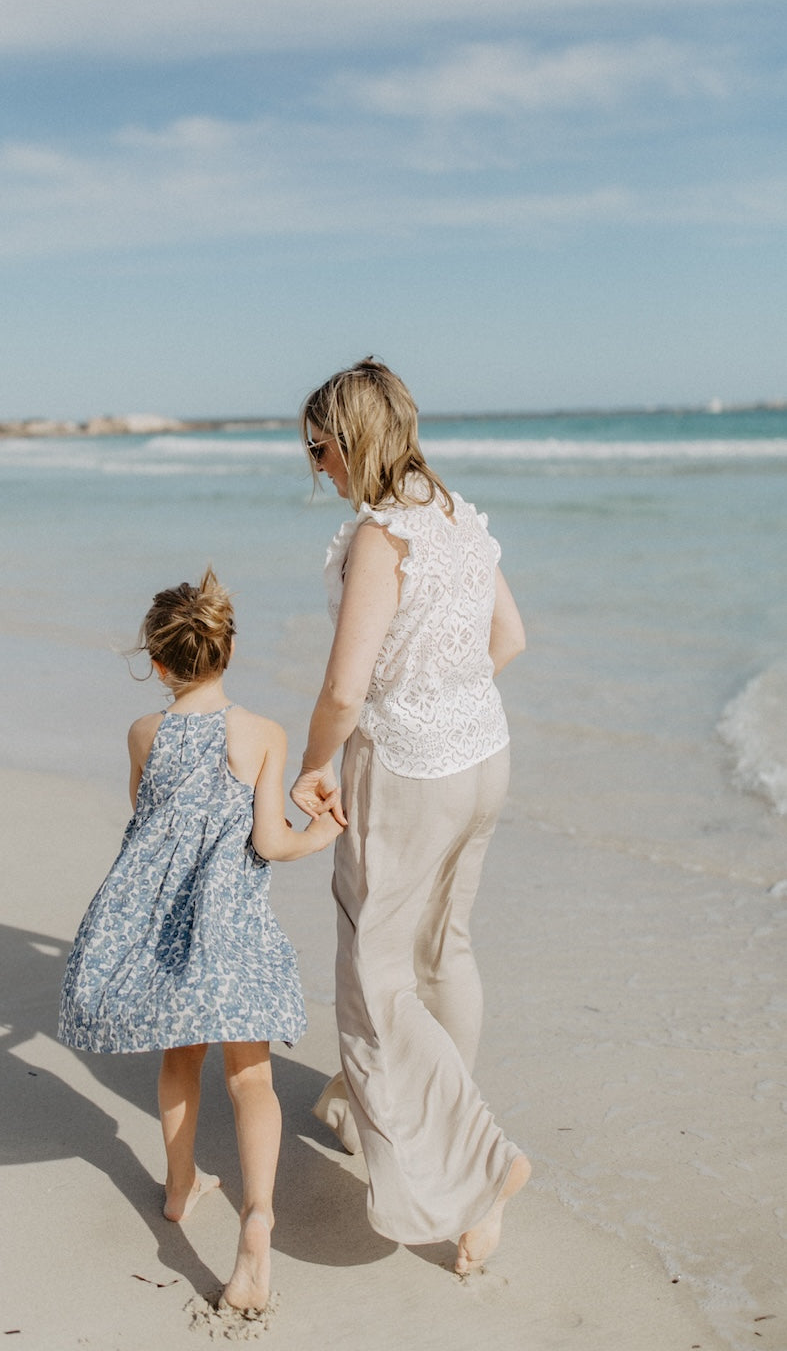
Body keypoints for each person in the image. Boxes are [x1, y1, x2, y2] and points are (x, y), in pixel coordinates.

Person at [290, 358, 531, 1277]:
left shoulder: (380, 539)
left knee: (374, 976)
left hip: (404, 771)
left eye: (319, 451)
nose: (319, 471)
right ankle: (375, 1106)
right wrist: (445, 700)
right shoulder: (459, 517)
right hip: (483, 757)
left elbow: (346, 687)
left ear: (351, 442)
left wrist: (315, 766)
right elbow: (508, 639)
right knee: (446, 951)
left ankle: (475, 1167)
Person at [58, 568, 345, 1312]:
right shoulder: (262, 734)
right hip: (232, 928)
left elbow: (145, 820)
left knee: (179, 1060)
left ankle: (180, 1187)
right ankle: (258, 1221)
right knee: (251, 1080)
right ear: (227, 651)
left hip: (163, 929)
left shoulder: (143, 733)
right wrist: (319, 838)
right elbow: (270, 842)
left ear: (155, 661)